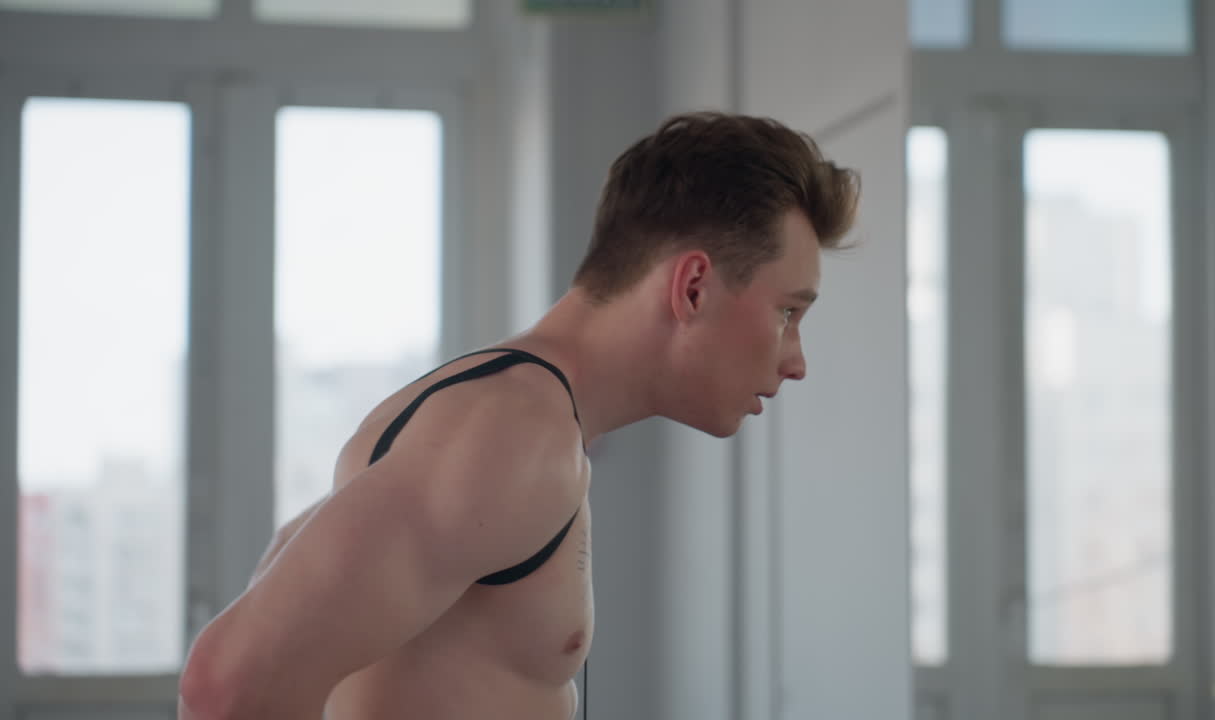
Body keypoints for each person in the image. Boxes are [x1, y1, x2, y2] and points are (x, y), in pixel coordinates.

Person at [177, 111, 860, 720]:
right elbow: (226, 688)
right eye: (788, 313)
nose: (796, 361)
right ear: (694, 287)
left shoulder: (497, 415)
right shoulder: (511, 434)